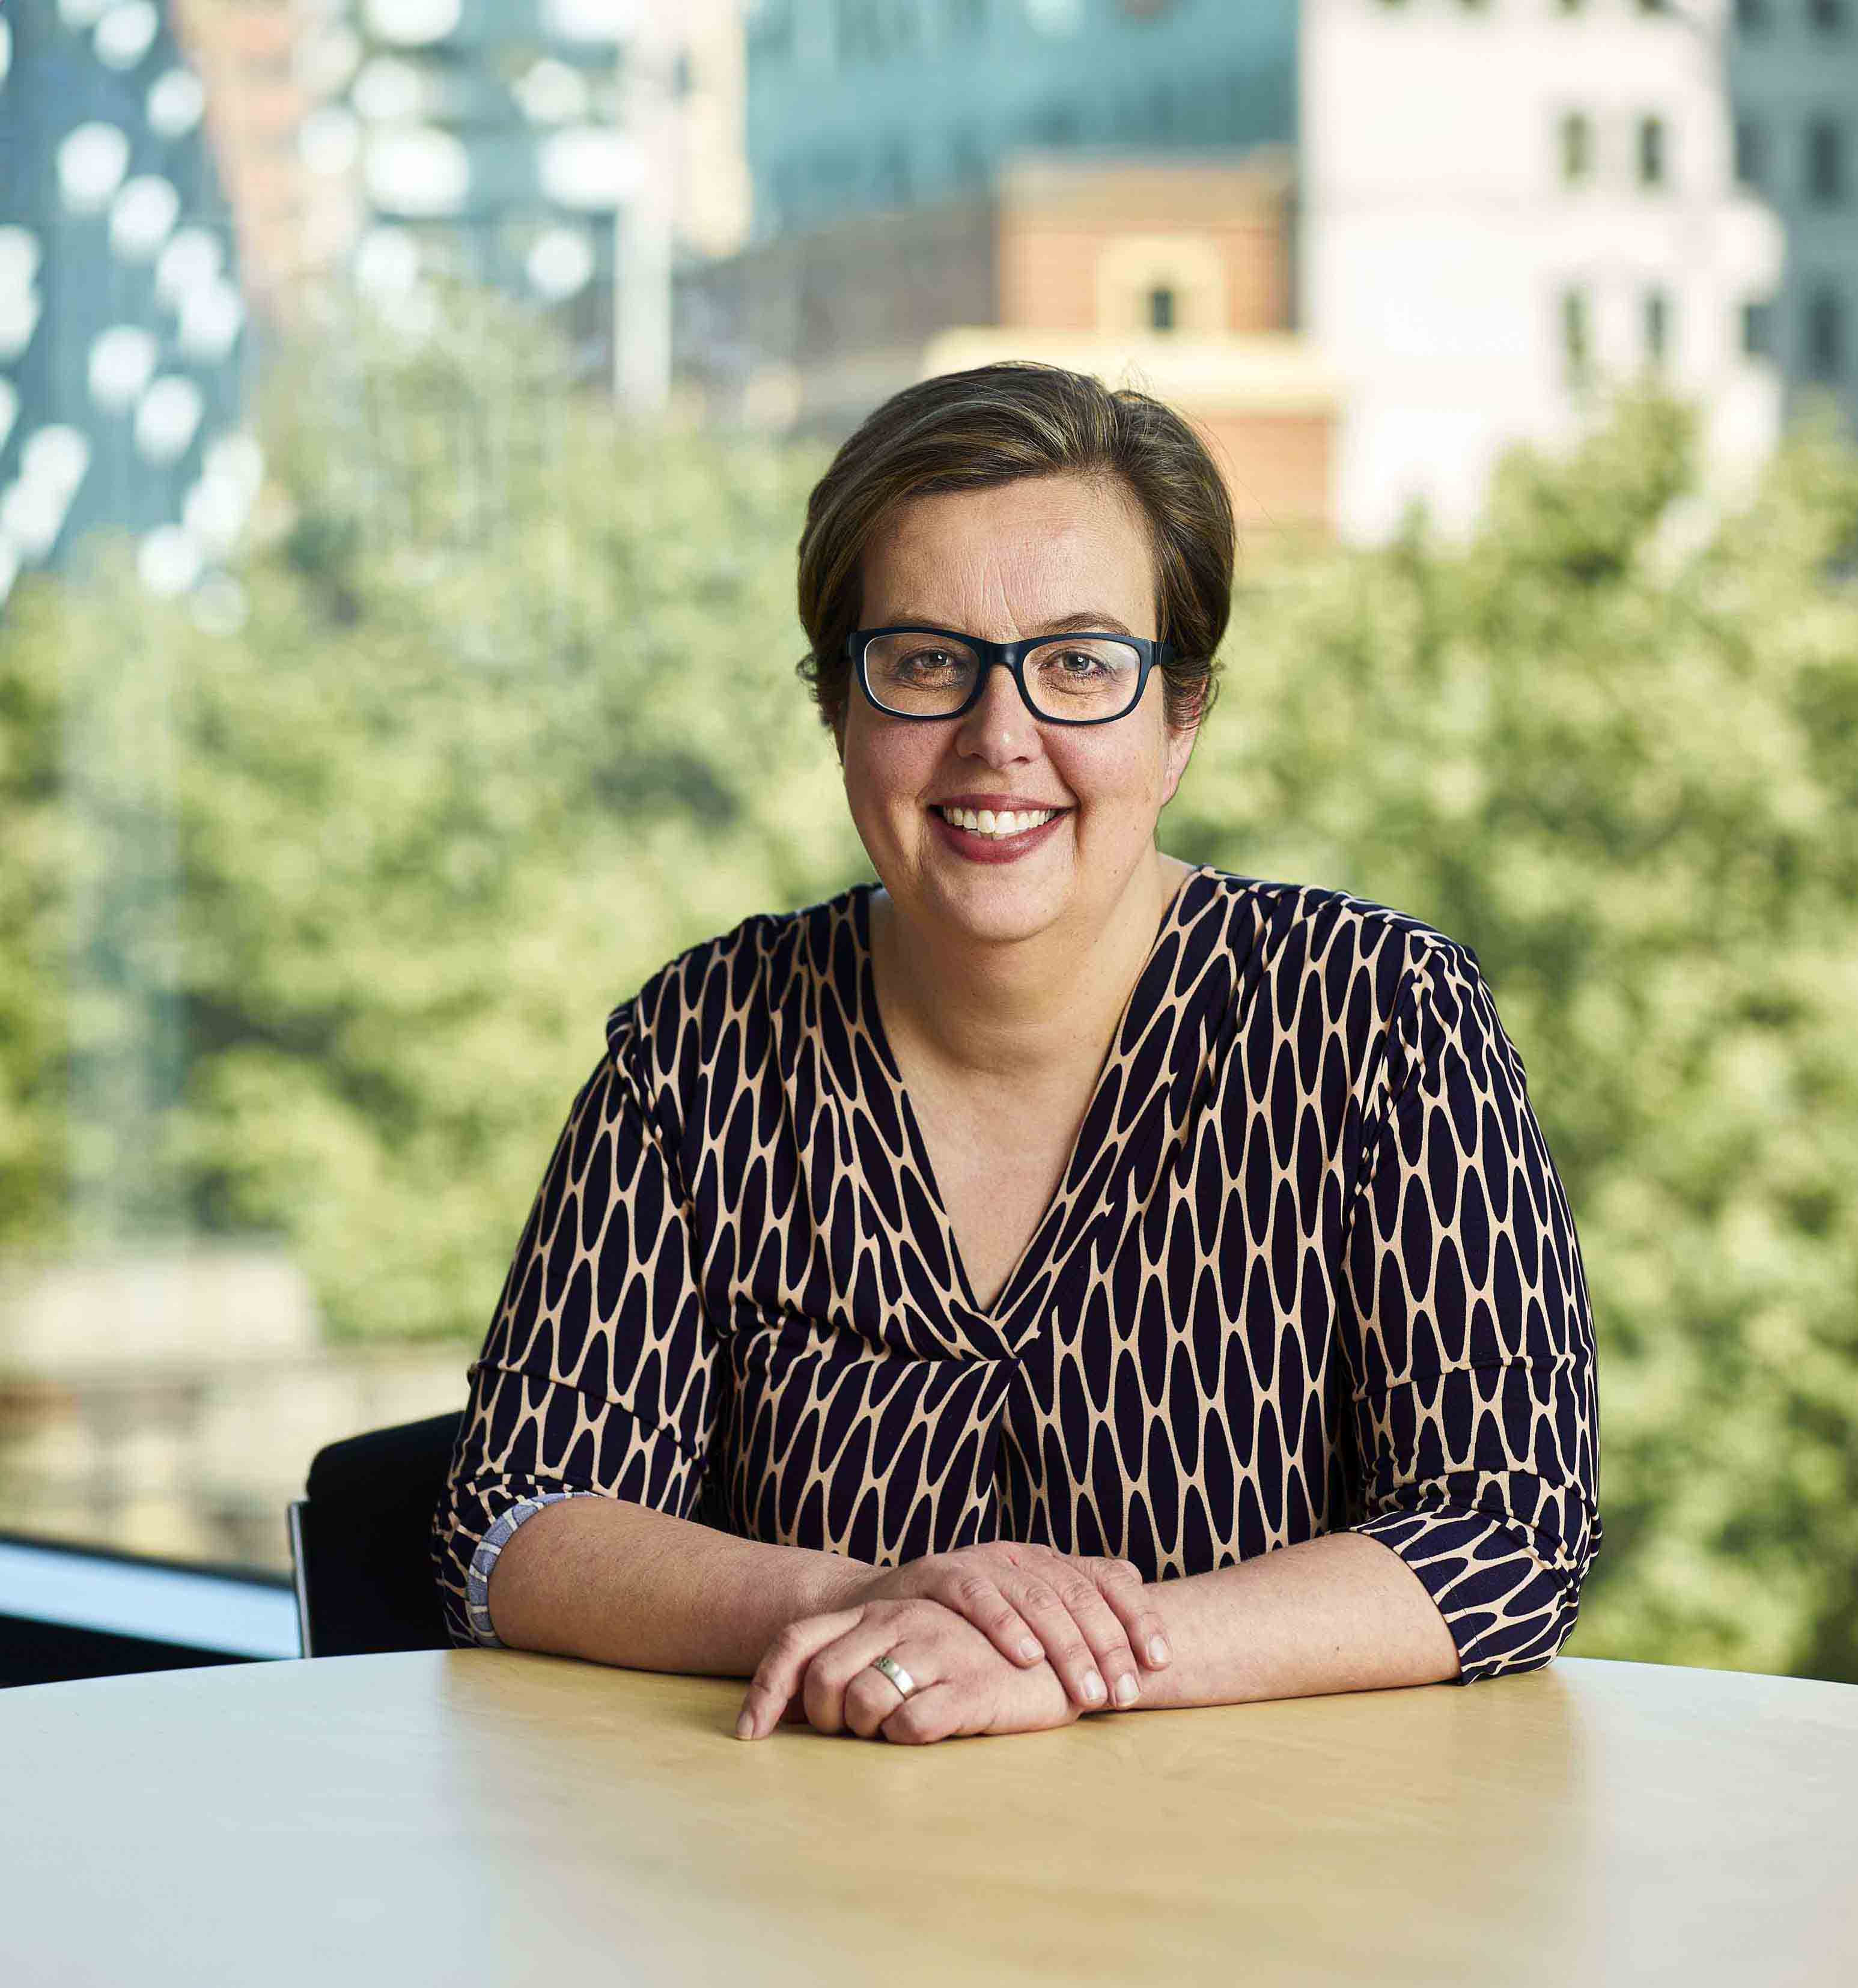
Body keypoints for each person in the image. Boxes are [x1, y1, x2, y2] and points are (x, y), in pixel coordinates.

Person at [429, 361, 1601, 1747]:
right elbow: (504, 1524)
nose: (1000, 738)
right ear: (838, 710)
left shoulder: (1381, 1020)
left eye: (1079, 665)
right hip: (795, 1903)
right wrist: (883, 1595)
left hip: (1268, 1905)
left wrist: (1070, 1661)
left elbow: (1509, 1529)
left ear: (1178, 720)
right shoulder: (701, 1045)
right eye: (925, 661)